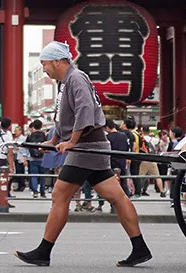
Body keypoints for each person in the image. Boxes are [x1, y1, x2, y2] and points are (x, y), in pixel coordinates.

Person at [15, 41, 152, 267]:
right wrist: (55, 139)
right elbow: (63, 117)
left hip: (87, 147)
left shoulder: (76, 78)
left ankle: (43, 251)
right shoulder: (66, 81)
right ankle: (140, 248)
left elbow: (85, 110)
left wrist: (72, 141)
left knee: (60, 195)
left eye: (45, 64)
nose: (44, 69)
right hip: (93, 147)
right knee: (116, 197)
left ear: (58, 61)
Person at [26, 119, 48, 198]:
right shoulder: (44, 135)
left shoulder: (30, 136)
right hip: (42, 158)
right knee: (42, 176)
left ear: (33, 126)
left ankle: (35, 191)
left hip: (32, 158)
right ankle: (42, 192)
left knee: (34, 175)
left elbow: (26, 145)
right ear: (41, 126)